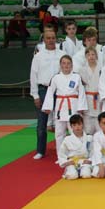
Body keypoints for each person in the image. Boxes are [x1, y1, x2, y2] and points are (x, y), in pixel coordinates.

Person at [30, 29, 65, 160]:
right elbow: (33, 75)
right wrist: (35, 95)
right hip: (43, 89)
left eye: (53, 38)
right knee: (42, 122)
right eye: (48, 38)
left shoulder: (62, 54)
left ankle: (63, 150)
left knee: (62, 121)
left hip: (60, 90)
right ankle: (40, 150)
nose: (51, 40)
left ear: (56, 39)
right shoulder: (38, 56)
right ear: (44, 40)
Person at [42, 54, 87, 154]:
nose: (66, 65)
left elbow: (81, 92)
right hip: (60, 107)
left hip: (73, 106)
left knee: (75, 131)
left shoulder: (76, 77)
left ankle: (77, 153)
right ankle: (61, 156)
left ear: (72, 65)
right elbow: (50, 92)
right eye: (64, 63)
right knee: (59, 133)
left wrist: (81, 107)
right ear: (60, 65)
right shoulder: (56, 78)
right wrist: (48, 106)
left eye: (68, 63)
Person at [57, 114, 93, 180]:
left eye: (79, 124)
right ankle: (69, 171)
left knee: (86, 175)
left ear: (82, 125)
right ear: (71, 126)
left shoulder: (89, 138)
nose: (77, 127)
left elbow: (93, 152)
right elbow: (61, 153)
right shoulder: (67, 139)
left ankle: (82, 171)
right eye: (74, 125)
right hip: (72, 162)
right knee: (73, 176)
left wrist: (90, 160)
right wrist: (66, 162)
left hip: (85, 161)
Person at [78, 47, 101, 135]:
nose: (91, 56)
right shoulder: (82, 70)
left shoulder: (102, 69)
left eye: (93, 54)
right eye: (88, 55)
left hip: (98, 97)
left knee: (99, 126)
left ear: (96, 56)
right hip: (87, 98)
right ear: (86, 56)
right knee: (88, 129)